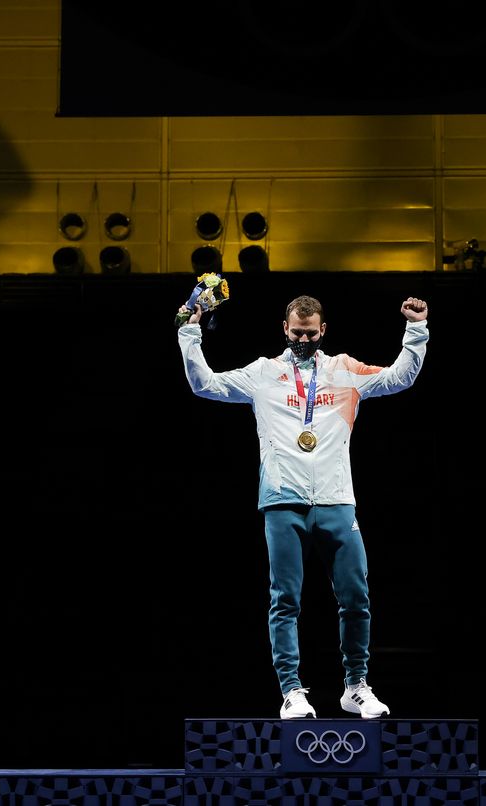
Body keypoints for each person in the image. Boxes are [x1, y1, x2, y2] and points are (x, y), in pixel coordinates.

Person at [178, 294, 428, 719]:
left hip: (337, 501)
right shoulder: (263, 373)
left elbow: (398, 378)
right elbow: (206, 384)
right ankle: (292, 691)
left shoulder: (344, 370)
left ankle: (356, 686)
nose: (304, 340)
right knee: (285, 600)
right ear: (284, 328)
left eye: (311, 334)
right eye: (297, 333)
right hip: (282, 501)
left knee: (356, 597)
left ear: (323, 331)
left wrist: (416, 329)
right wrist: (189, 331)